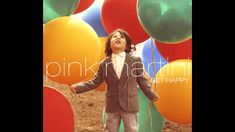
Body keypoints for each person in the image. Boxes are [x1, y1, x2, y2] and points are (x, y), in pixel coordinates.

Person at [69, 28, 159, 132]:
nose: (118, 38)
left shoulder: (135, 61)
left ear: (127, 45)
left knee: (132, 129)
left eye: (122, 37)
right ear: (109, 44)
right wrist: (78, 87)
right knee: (110, 129)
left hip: (130, 104)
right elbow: (95, 82)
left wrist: (152, 95)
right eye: (115, 36)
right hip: (112, 105)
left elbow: (142, 81)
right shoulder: (104, 64)